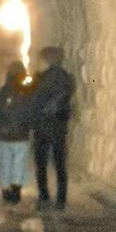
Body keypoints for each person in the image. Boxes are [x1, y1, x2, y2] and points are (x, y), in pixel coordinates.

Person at [28, 45, 75, 207]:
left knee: (42, 164)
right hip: (57, 128)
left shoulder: (40, 78)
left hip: (44, 126)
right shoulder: (67, 79)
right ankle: (60, 199)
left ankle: (44, 196)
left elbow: (32, 100)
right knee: (59, 163)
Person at [0, 59, 35, 205]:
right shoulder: (28, 89)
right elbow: (30, 111)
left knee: (4, 163)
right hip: (21, 135)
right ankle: (16, 190)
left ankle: (5, 190)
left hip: (4, 136)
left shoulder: (4, 90)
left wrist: (1, 127)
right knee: (19, 164)